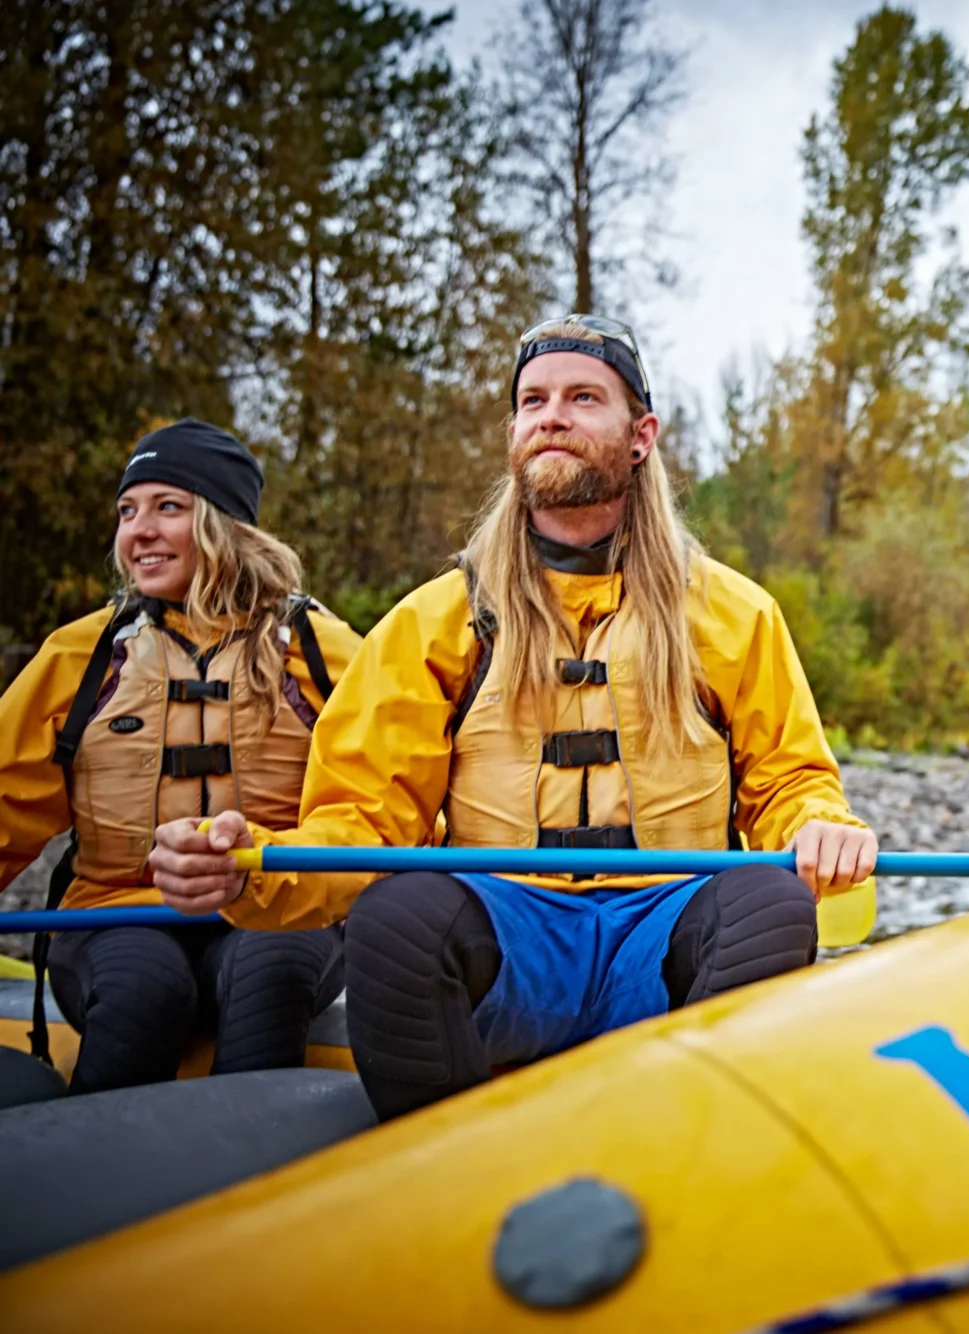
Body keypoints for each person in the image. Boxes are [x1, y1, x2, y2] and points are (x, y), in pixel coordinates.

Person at [151, 316, 879, 1119]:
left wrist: (818, 826)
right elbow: (361, 822)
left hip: (664, 924)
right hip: (510, 932)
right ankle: (448, 1171)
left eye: (582, 397)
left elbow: (793, 783)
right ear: (512, 433)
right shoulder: (437, 622)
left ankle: (695, 1146)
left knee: (769, 900)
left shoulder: (732, 615)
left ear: (641, 436)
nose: (552, 416)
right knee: (395, 917)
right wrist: (249, 867)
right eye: (533, 400)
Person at [0, 420, 358, 1093]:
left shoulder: (316, 649)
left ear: (224, 525)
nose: (140, 531)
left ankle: (262, 1182)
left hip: (279, 912)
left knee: (269, 971)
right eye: (128, 511)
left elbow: (385, 798)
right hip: (115, 914)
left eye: (169, 507)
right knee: (144, 991)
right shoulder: (82, 657)